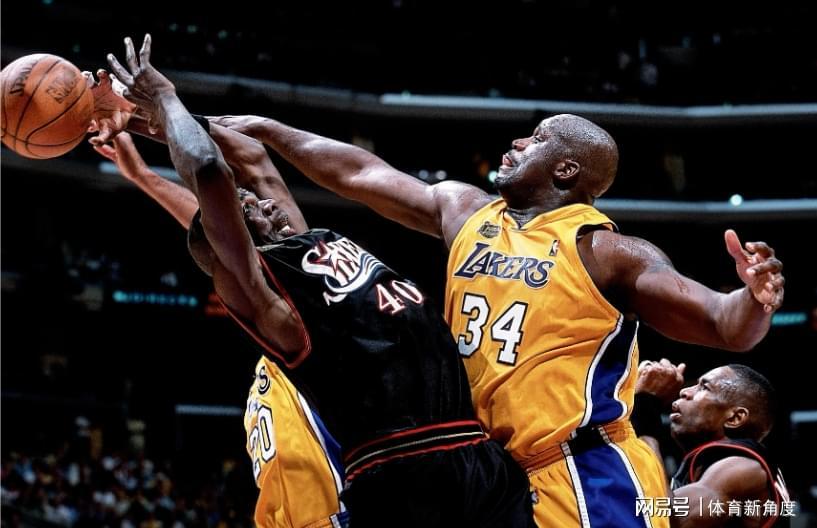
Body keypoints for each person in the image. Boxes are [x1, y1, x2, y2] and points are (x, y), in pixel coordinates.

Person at [208, 108, 785, 526]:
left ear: (565, 170)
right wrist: (270, 132)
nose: (516, 142)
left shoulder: (605, 251)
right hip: (489, 470)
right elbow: (359, 174)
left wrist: (752, 298)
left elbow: (722, 323)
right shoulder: (468, 212)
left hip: (581, 471)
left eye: (536, 139)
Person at [102, 34, 536, 528]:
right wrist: (164, 97)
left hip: (476, 454)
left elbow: (253, 158)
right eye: (247, 209)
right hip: (403, 472)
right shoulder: (266, 290)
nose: (263, 202)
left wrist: (138, 120)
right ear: (234, 239)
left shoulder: (304, 244)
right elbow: (207, 169)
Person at [91, 128, 347, 528]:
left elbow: (229, 211)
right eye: (252, 207)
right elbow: (218, 235)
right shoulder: (276, 335)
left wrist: (152, 113)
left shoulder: (306, 313)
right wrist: (143, 175)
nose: (268, 205)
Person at [636, 361, 791, 527]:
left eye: (704, 387)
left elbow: (670, 519)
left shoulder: (743, 468)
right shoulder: (712, 465)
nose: (684, 392)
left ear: (735, 418)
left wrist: (645, 409)